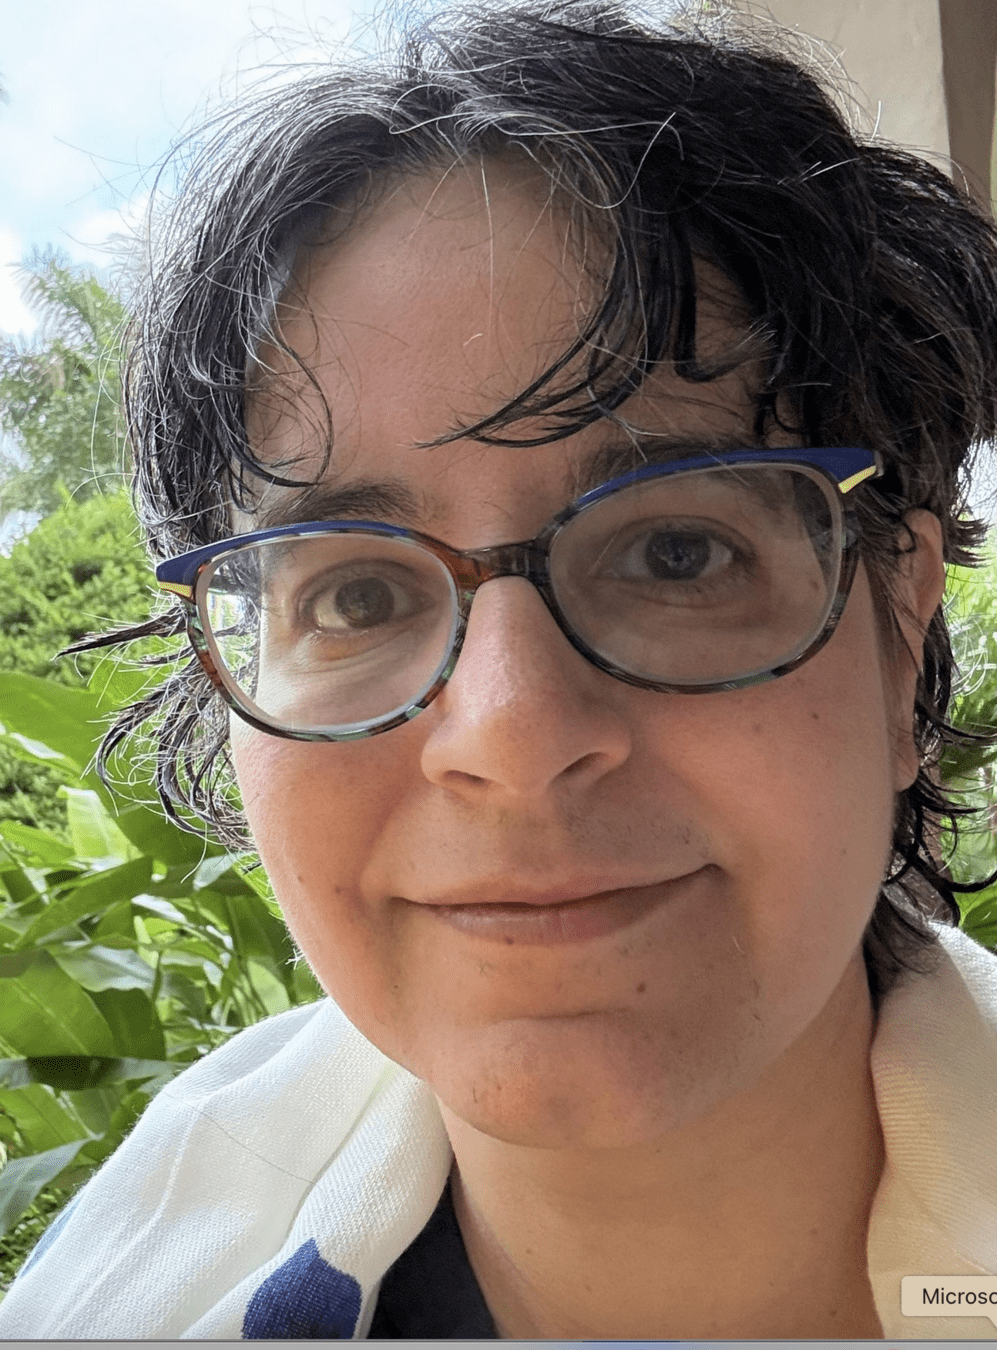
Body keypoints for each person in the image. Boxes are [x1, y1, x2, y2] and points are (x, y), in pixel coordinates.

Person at [2, 0, 997, 1339]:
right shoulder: (120, 1289)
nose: (512, 735)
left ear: (900, 629)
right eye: (355, 595)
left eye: (679, 554)